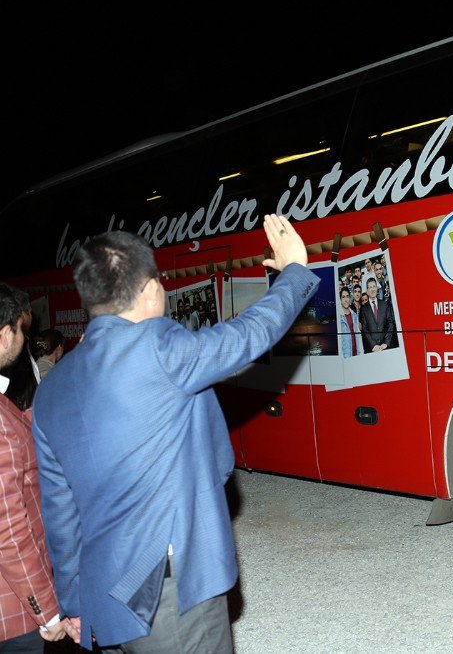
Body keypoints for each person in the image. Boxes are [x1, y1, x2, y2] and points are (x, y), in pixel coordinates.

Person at [30, 215, 319, 651]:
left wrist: (73, 603)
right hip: (166, 587)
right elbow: (247, 335)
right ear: (148, 290)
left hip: (104, 597)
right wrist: (293, 272)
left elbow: (60, 513)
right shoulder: (158, 346)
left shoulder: (50, 389)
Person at [0, 283, 70, 651]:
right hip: (10, 617)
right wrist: (48, 611)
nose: (24, 337)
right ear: (3, 334)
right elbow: (9, 535)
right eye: (20, 328)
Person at [359, 277, 396, 353]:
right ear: (367, 291)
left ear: (377, 288)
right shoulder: (363, 309)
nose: (372, 289)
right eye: (370, 287)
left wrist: (386, 343)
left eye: (374, 286)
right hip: (372, 349)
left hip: (386, 347)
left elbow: (390, 324)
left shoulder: (384, 304)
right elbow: (365, 329)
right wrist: (373, 345)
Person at [338, 287, 361, 358]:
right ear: (340, 300)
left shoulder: (354, 315)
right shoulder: (339, 317)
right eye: (343, 297)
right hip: (346, 357)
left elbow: (359, 337)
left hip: (357, 355)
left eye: (347, 296)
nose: (345, 299)